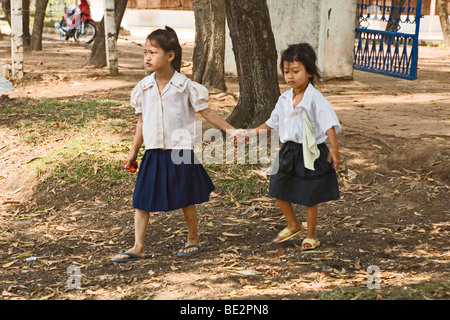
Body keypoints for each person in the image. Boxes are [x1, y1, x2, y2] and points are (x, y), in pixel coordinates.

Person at [113, 26, 237, 262]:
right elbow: (141, 124)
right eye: (146, 52)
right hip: (153, 153)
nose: (147, 57)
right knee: (141, 200)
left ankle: (193, 239)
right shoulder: (143, 88)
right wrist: (132, 154)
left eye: (153, 52)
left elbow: (207, 112)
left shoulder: (185, 86)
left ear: (170, 56)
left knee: (185, 198)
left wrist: (232, 131)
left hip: (180, 152)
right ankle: (138, 246)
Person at [250, 43, 342, 251]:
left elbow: (329, 125)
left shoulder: (315, 99)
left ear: (309, 72)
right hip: (289, 151)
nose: (290, 76)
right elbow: (272, 122)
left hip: (311, 152)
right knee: (277, 187)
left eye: (295, 71)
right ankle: (293, 224)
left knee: (310, 195)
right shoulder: (284, 98)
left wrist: (335, 151)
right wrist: (250, 134)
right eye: (286, 72)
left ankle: (311, 234)